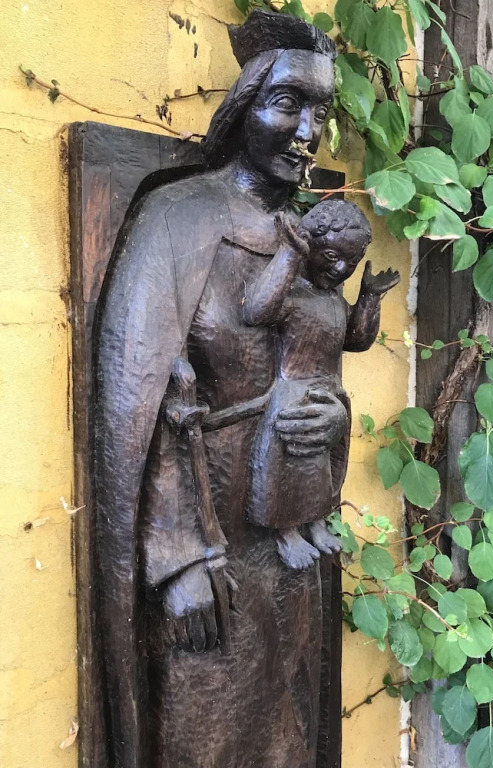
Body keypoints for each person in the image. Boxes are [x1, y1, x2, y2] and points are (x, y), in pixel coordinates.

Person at [92, 10, 394, 768]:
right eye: (288, 104)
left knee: (289, 731)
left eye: (320, 112)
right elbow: (140, 407)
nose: (307, 133)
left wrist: (333, 417)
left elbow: (317, 363)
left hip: (287, 534)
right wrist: (176, 558)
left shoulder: (316, 242)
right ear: (243, 105)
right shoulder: (178, 219)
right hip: (206, 557)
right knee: (206, 736)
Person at [244, 200, 400, 569]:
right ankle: (285, 533)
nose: (341, 268)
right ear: (309, 247)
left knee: (323, 471)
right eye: (331, 256)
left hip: (329, 396)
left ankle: (315, 523)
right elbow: (256, 310)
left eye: (352, 261)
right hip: (293, 396)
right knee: (290, 468)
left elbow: (356, 339)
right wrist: (289, 254)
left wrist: (369, 297)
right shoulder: (294, 296)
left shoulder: (333, 301)